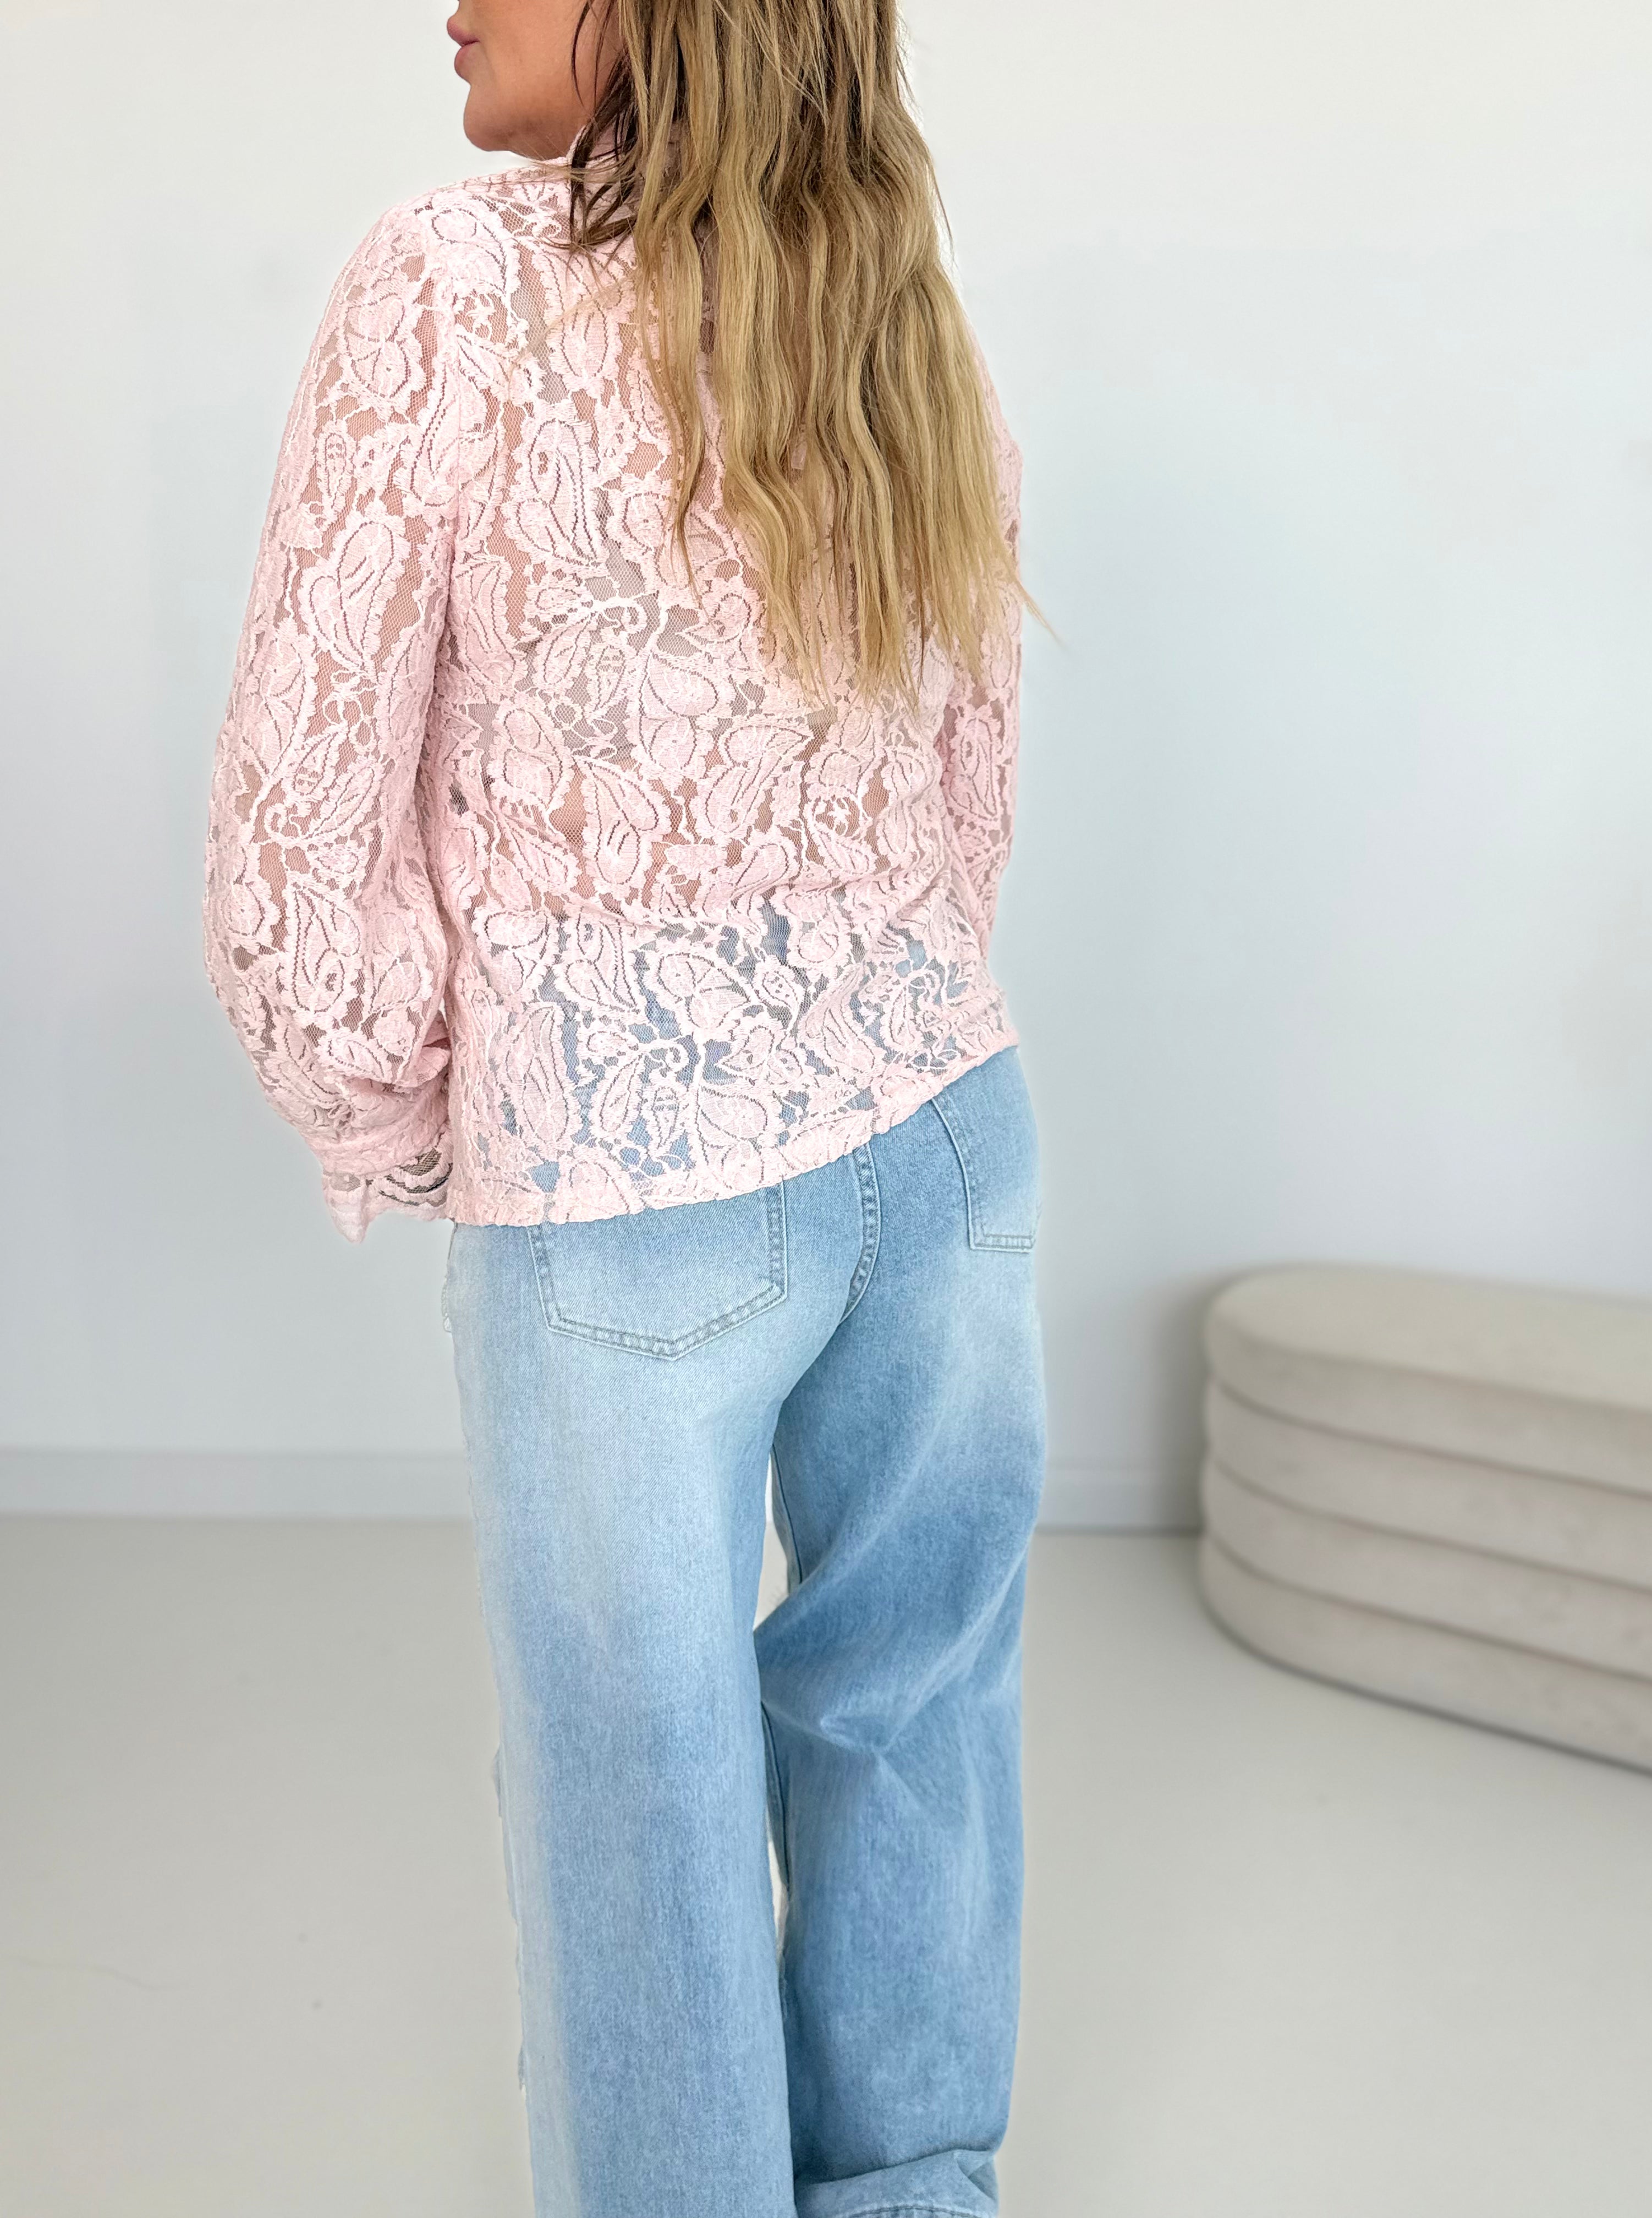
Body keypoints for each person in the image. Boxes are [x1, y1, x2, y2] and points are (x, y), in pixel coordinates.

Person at [201, 3, 1047, 2211]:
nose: (452, 0)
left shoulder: (447, 279)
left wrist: (406, 1106)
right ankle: (916, 2188)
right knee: (912, 1698)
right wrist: (881, 982)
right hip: (946, 1128)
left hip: (616, 1184)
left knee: (637, 1799)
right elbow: (972, 744)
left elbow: (295, 831)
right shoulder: (888, 280)